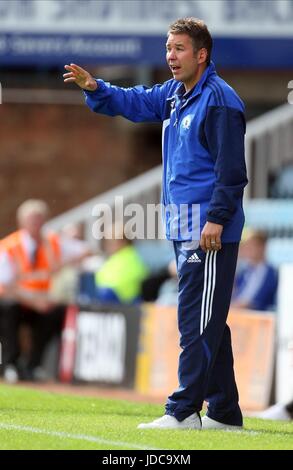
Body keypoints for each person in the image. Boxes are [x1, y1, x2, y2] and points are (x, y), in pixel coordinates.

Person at [64, 17, 247, 430]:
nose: (170, 56)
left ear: (201, 55)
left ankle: (183, 412)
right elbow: (137, 100)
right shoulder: (175, 94)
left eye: (179, 48)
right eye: (168, 48)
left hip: (207, 231)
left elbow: (231, 170)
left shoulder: (219, 100)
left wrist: (217, 219)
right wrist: (97, 88)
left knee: (194, 319)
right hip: (183, 226)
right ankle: (223, 412)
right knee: (208, 319)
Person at [0, 199, 90, 382]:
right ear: (22, 222)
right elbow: (5, 286)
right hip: (18, 301)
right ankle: (10, 364)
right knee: (9, 309)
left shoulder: (52, 243)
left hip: (40, 302)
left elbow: (85, 251)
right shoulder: (10, 246)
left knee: (57, 312)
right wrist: (33, 301)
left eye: (40, 219)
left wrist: (62, 264)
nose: (36, 224)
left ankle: (34, 365)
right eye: (32, 220)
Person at [232, 230, 278, 312]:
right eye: (246, 246)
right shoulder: (244, 272)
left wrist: (242, 305)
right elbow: (234, 295)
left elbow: (263, 301)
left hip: (258, 316)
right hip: (238, 313)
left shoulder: (272, 274)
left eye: (252, 245)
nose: (248, 249)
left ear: (262, 247)